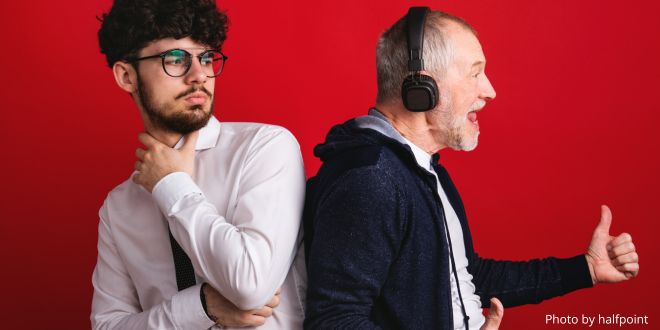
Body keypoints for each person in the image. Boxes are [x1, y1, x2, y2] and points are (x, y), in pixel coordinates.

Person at [302, 7, 639, 330]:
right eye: (475, 73)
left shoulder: (422, 170)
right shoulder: (371, 179)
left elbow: (466, 276)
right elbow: (335, 321)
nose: (490, 91)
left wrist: (585, 270)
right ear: (422, 88)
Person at [91, 0, 306, 329]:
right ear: (126, 76)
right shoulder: (119, 207)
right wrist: (202, 306)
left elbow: (250, 285)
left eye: (206, 57)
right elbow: (107, 326)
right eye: (175, 59)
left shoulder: (264, 149)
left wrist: (171, 184)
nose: (199, 75)